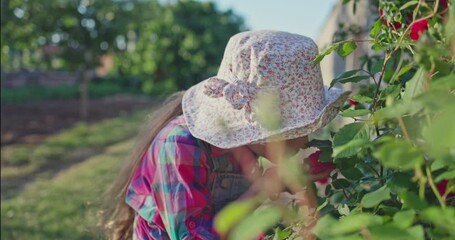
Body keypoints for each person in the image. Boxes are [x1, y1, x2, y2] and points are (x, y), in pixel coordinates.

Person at [103, 30, 350, 240]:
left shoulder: (243, 146)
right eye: (296, 130)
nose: (304, 141)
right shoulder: (179, 145)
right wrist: (262, 189)